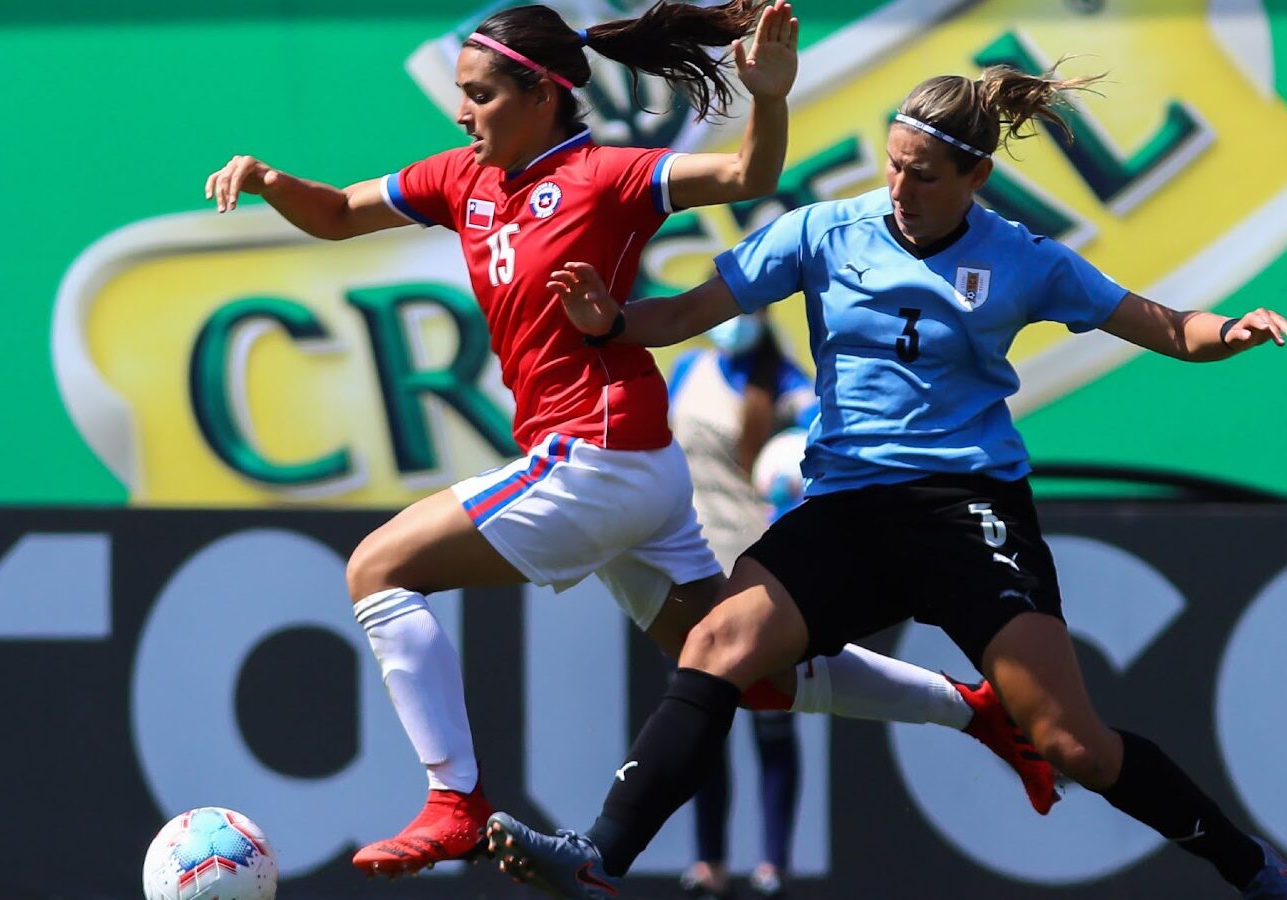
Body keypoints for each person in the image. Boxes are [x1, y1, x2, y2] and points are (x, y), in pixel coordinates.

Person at [202, 1, 1052, 881]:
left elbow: (749, 173)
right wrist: (271, 181)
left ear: (543, 94)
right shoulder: (462, 178)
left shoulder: (604, 174)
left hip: (596, 454)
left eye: (481, 94)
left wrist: (768, 96)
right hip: (632, 467)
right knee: (748, 674)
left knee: (376, 570)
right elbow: (340, 212)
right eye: (462, 95)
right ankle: (977, 710)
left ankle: (455, 800)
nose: (463, 113)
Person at [483, 65, 1287, 899]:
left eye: (924, 175)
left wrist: (1229, 328)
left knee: (1075, 747)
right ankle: (597, 858)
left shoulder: (1023, 259)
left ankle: (1256, 871)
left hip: (966, 512)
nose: (901, 187)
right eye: (892, 164)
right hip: (848, 509)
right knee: (716, 646)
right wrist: (613, 322)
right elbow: (682, 315)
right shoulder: (821, 231)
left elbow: (1165, 327)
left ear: (977, 176)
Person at [669, 313, 809, 900]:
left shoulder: (783, 379)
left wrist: (803, 474)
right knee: (700, 719)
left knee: (772, 715)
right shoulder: (687, 370)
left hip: (756, 566)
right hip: (688, 566)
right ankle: (710, 863)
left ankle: (773, 862)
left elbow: (825, 421)